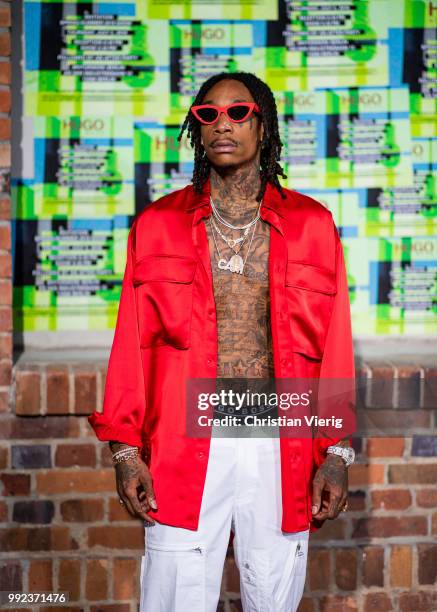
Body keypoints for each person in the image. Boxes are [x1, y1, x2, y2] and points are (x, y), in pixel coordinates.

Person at [88, 71, 356, 612]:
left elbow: (335, 345)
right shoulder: (158, 224)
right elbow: (130, 346)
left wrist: (337, 452)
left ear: (264, 125)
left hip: (278, 435)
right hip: (183, 439)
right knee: (174, 597)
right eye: (207, 114)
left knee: (272, 596)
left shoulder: (311, 225)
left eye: (238, 112)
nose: (222, 124)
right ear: (196, 128)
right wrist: (124, 449)